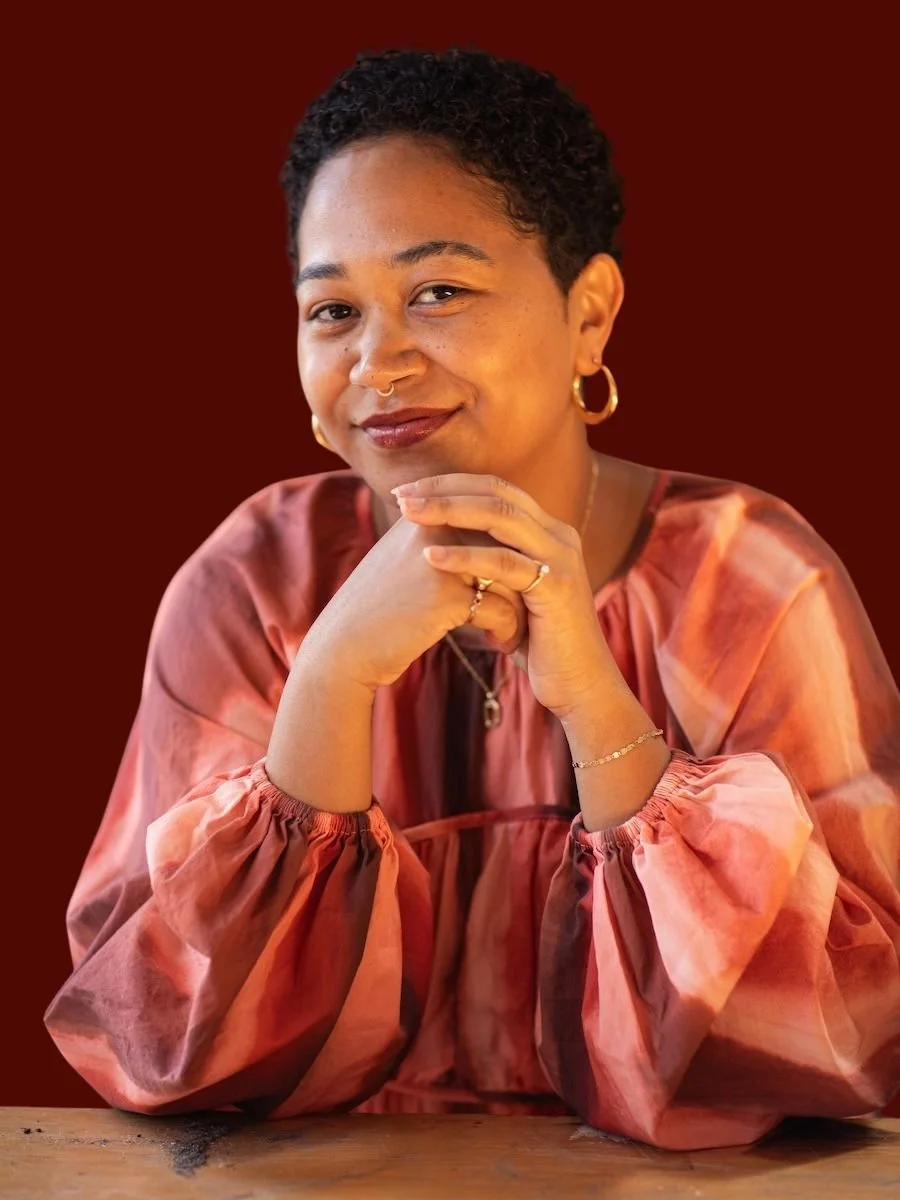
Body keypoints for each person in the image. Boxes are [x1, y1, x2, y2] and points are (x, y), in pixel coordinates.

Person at [44, 46, 899, 1150]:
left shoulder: (752, 581)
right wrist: (331, 677)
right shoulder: (252, 580)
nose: (379, 362)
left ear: (589, 314)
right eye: (333, 310)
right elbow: (162, 1031)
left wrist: (595, 703)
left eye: (438, 292)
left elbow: (851, 1024)